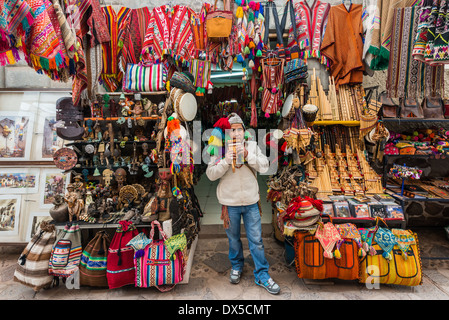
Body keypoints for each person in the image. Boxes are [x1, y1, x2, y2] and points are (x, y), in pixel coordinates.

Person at [205, 113, 280, 295]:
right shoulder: (219, 148)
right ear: (226, 133)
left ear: (245, 132)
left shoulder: (253, 146)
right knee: (233, 240)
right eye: (232, 130)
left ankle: (262, 274)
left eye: (239, 129)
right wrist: (225, 160)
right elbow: (211, 174)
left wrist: (247, 155)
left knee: (256, 241)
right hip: (229, 203)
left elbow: (264, 166)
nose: (236, 133)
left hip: (251, 201)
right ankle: (237, 266)